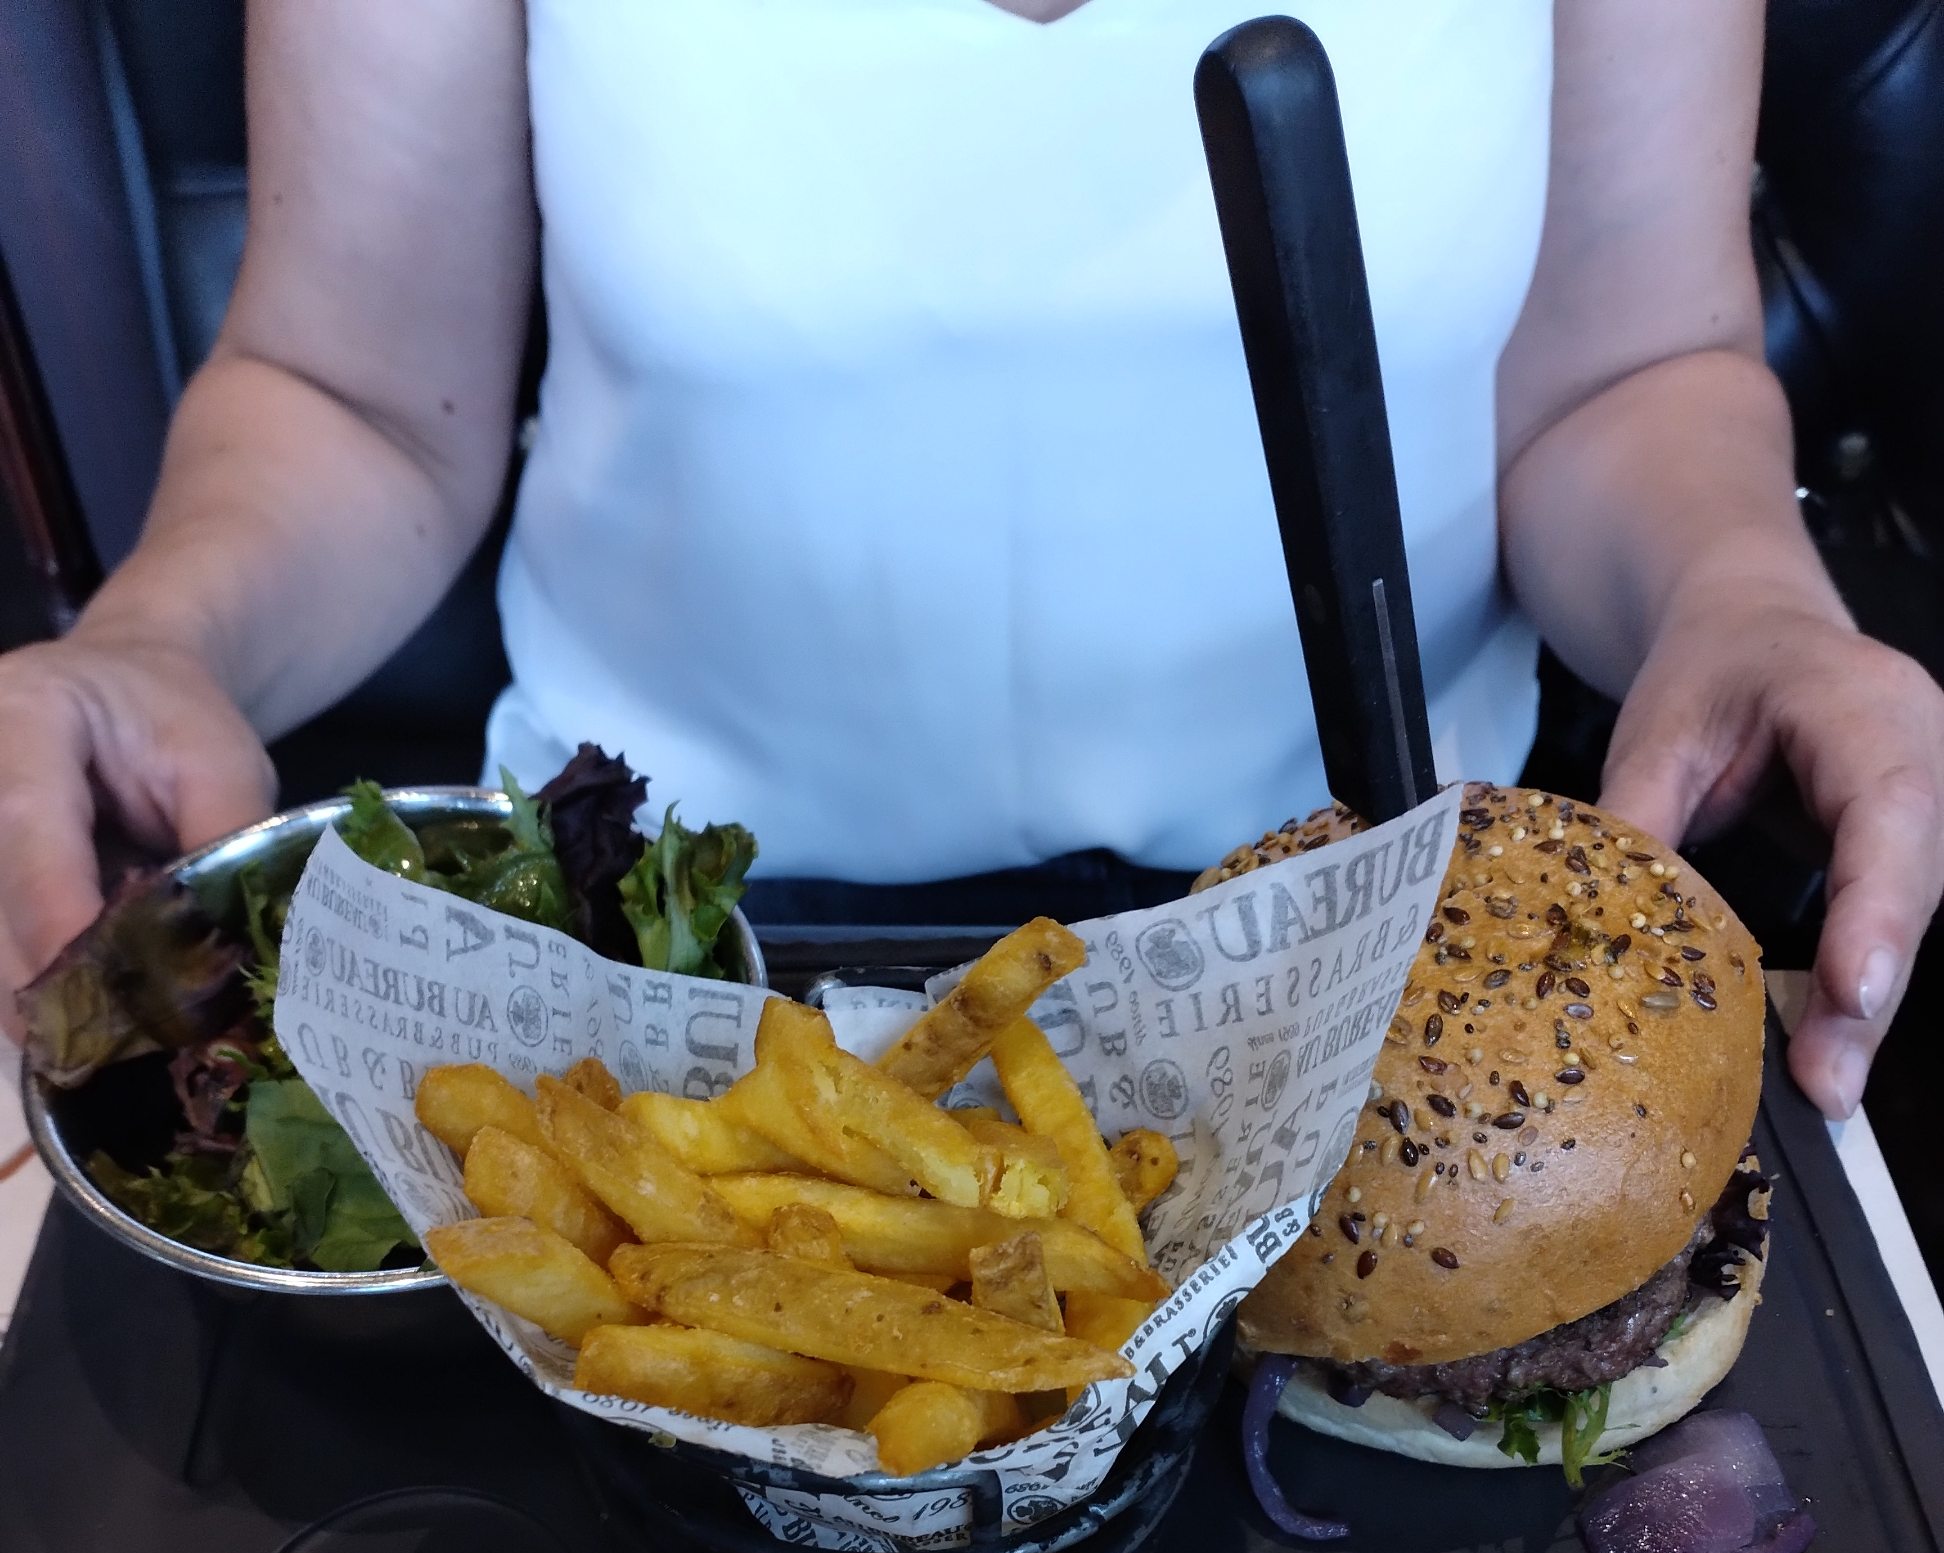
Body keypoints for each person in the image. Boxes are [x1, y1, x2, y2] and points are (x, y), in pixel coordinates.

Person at [0, 0, 1939, 1123]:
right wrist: (159, 635)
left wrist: (1746, 600)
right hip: (643, 985)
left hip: (1377, 969)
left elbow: (1623, 372)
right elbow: (353, 389)